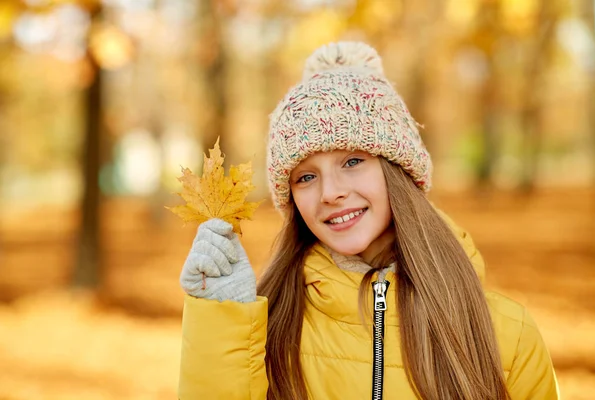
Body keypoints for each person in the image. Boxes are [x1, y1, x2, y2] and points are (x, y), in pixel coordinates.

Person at [178, 42, 559, 400]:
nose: (330, 192)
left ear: (398, 171)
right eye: (306, 177)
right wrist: (223, 319)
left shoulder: (506, 333)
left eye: (353, 161)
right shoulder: (270, 325)